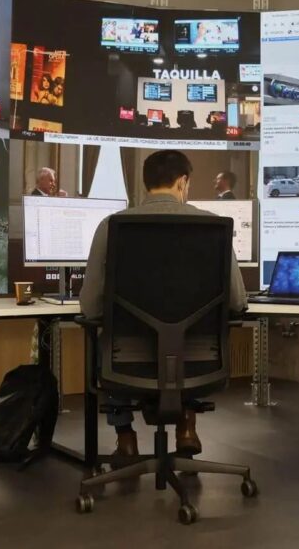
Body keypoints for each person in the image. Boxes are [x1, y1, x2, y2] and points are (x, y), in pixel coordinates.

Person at [80, 150, 248, 459]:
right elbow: (237, 301)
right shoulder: (213, 226)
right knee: (185, 346)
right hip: (200, 360)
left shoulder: (111, 225)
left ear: (146, 184)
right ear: (183, 182)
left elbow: (89, 306)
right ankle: (186, 425)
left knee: (103, 341)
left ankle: (126, 438)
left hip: (127, 362)